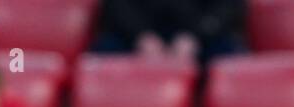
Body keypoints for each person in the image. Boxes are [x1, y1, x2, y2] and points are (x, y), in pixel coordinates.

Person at [94, 0, 246, 62]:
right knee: (102, 58)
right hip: (135, 35)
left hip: (202, 36)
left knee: (231, 63)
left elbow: (228, 6)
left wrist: (196, 36)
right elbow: (116, 5)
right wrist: (140, 36)